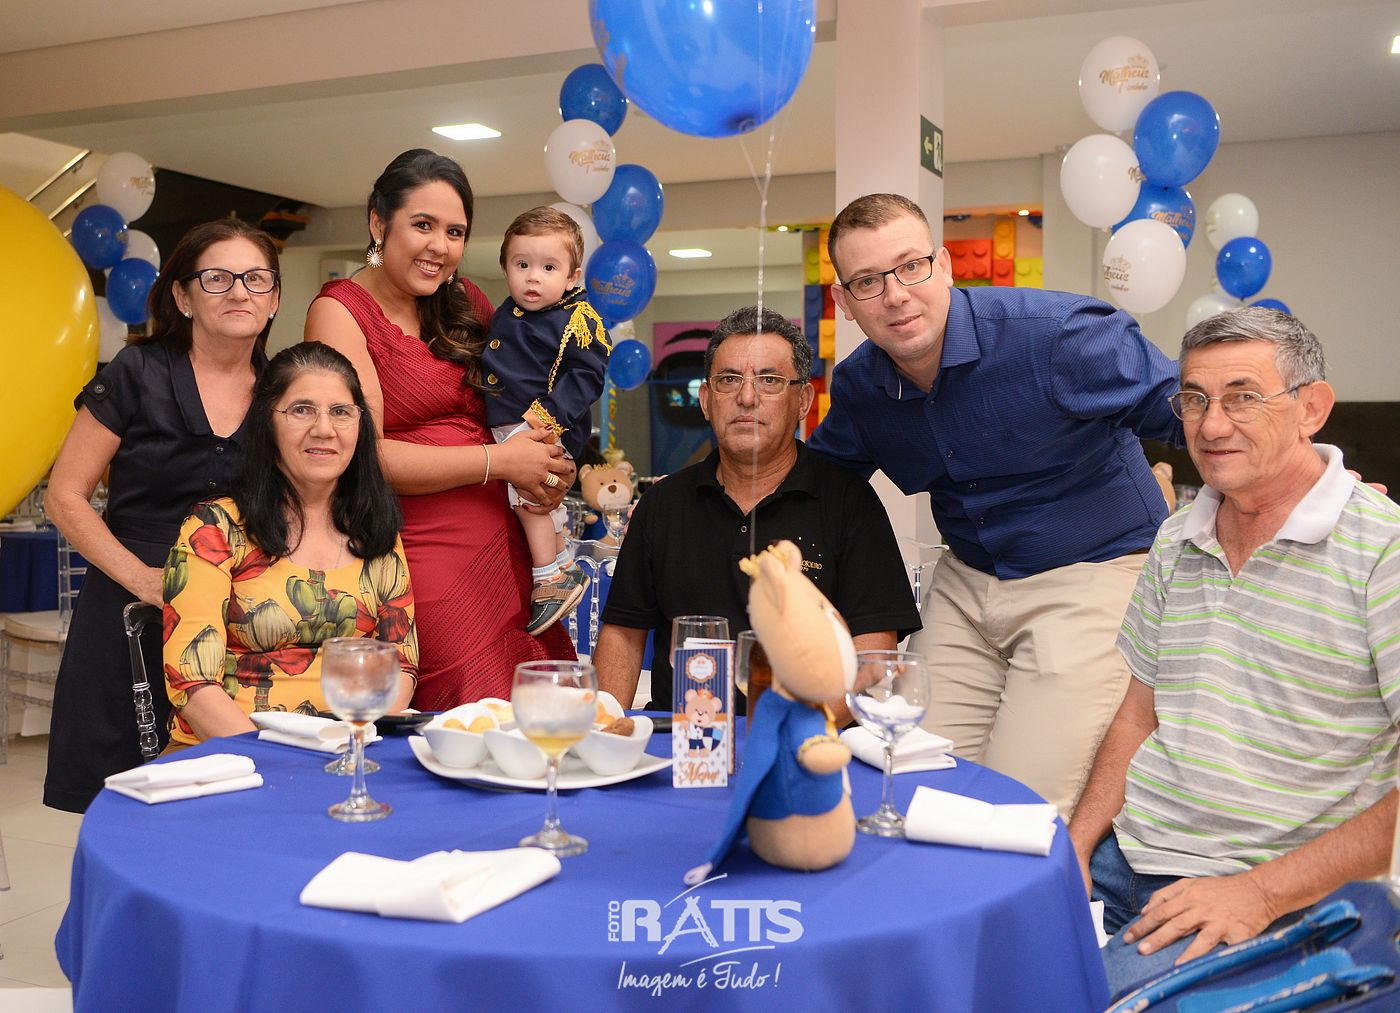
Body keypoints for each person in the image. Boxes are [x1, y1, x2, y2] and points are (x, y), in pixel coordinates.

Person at [808, 193, 1181, 818]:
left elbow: (1191, 408)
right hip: (966, 579)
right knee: (912, 781)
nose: (896, 295)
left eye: (910, 267)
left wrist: (1297, 470)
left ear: (945, 265)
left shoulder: (1059, 337)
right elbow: (818, 487)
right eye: (868, 281)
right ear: (844, 302)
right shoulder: (860, 388)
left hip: (1092, 572)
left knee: (1020, 805)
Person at [1065, 307, 1400, 996]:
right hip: (1127, 860)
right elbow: (1138, 715)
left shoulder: (1383, 550)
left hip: (1268, 889)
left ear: (1312, 408)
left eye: (1243, 397)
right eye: (1195, 399)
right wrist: (1076, 842)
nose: (1212, 426)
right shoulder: (1175, 538)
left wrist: (1259, 892)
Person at [305, 149, 576, 709]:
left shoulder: (466, 301)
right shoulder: (340, 311)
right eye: (423, 225)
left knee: (538, 714)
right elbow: (361, 455)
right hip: (424, 554)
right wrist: (500, 462)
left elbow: (518, 403)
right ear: (379, 222)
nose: (440, 246)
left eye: (455, 232)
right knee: (462, 714)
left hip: (509, 541)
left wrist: (549, 465)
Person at [42, 219, 281, 812]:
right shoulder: (137, 371)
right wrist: (148, 581)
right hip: (128, 608)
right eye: (217, 278)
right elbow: (64, 495)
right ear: (183, 296)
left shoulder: (285, 389)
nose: (239, 291)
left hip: (239, 619)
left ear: (274, 298)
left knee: (236, 798)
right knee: (121, 800)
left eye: (256, 278)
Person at [595, 305, 921, 714]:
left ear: (803, 400)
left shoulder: (849, 501)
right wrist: (606, 731)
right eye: (729, 380)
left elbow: (871, 652)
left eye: (769, 380)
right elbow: (624, 634)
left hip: (808, 738)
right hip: (682, 735)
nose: (746, 398)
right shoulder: (662, 504)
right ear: (706, 400)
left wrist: (799, 733)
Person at [163, 342, 418, 743]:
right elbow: (193, 684)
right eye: (301, 410)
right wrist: (278, 765)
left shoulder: (375, 527)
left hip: (347, 752)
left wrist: (354, 748)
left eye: (341, 412)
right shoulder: (215, 527)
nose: (324, 429)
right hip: (231, 757)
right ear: (267, 421)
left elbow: (400, 665)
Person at [482, 206, 610, 635]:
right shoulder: (507, 310)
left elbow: (588, 375)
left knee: (527, 496)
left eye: (548, 268)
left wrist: (548, 418)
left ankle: (549, 577)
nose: (533, 278)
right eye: (522, 265)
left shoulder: (577, 318)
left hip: (539, 422)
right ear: (505, 268)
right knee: (531, 494)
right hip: (509, 420)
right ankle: (562, 562)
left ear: (573, 277)